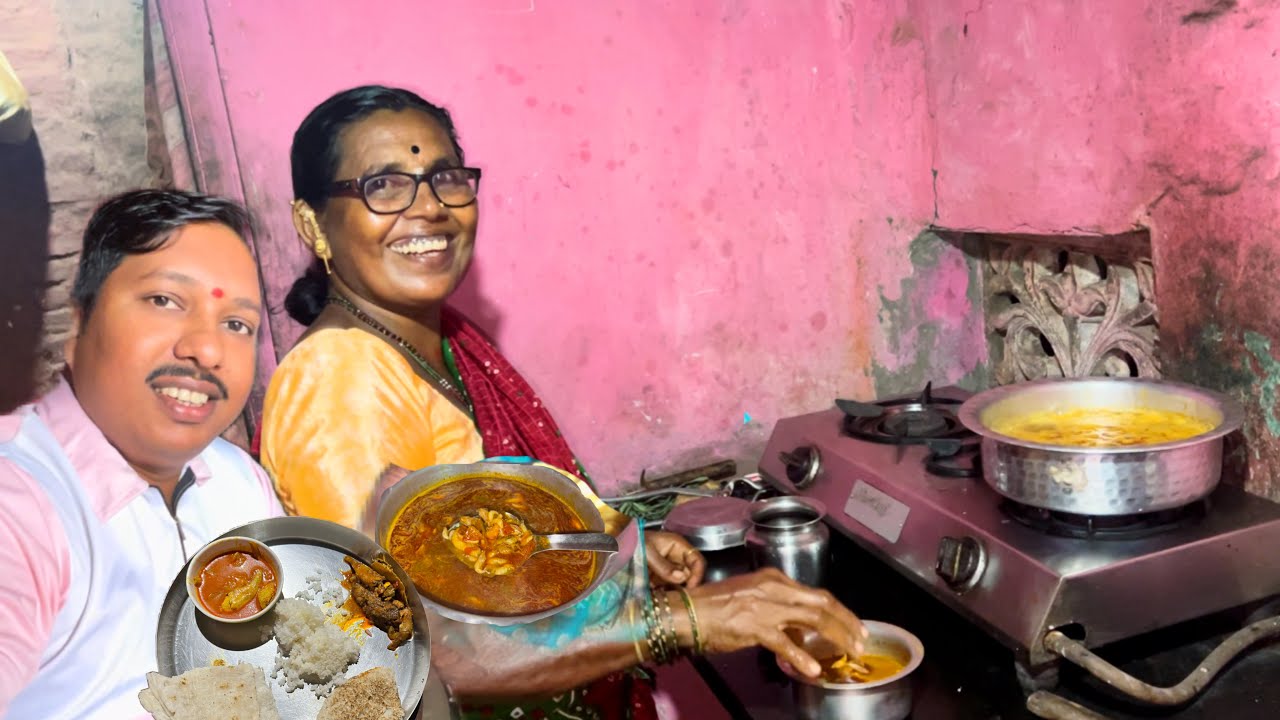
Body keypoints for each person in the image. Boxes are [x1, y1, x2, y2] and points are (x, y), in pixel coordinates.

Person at [259, 85, 865, 719]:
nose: (430, 209)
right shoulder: (339, 383)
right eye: (384, 185)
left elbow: (481, 547)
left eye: (445, 178)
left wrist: (613, 564)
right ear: (312, 224)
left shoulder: (440, 343)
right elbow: (413, 647)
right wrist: (679, 620)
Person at [0, 189, 283, 720]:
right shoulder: (19, 501)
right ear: (79, 322)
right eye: (165, 301)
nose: (206, 349)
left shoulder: (239, 483)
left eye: (237, 324)